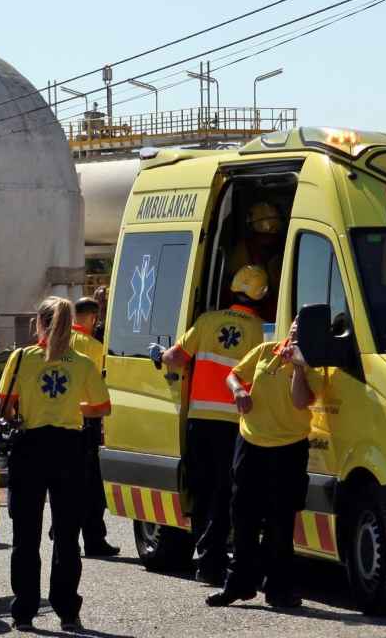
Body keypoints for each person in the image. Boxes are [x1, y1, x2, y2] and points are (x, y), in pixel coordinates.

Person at [0, 297, 111, 633]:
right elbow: (102, 407)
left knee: (26, 535)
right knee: (66, 535)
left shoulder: (22, 359)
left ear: (39, 323)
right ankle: (67, 611)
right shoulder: (83, 363)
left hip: (29, 449)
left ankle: (24, 611)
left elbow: (5, 407)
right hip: (69, 449)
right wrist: (73, 407)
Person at [155, 266, 269, 585]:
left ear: (232, 289)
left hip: (199, 421)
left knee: (201, 491)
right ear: (261, 296)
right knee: (224, 493)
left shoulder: (207, 321)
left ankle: (205, 562)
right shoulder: (259, 329)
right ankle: (214, 561)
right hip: (234, 424)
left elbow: (177, 357)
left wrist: (159, 355)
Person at [207, 318, 323, 609]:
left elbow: (301, 402)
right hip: (250, 443)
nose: (295, 330)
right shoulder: (265, 350)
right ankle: (238, 584)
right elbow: (233, 374)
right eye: (294, 325)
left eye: (302, 329)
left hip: (288, 448)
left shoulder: (315, 366)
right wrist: (238, 391)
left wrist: (298, 365)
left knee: (280, 522)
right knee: (242, 517)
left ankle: (278, 589)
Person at [70, 297, 119, 557]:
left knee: (64, 482)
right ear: (91, 318)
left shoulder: (57, 343)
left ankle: (62, 531)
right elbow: (101, 387)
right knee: (90, 485)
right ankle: (94, 538)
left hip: (58, 420)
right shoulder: (95, 348)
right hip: (87, 420)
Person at [226, 202, 286, 313]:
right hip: (250, 309)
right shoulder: (243, 251)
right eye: (266, 236)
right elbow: (233, 287)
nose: (271, 239)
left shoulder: (281, 252)